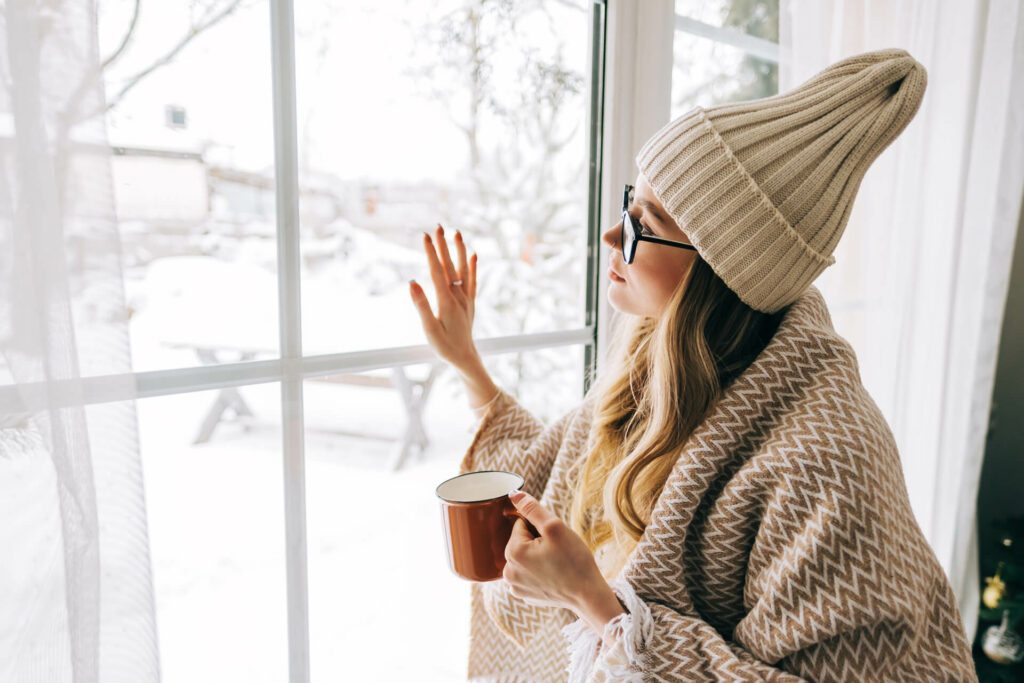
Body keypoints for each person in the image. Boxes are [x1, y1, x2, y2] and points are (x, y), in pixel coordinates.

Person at [408, 48, 978, 682]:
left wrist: (600, 608)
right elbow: (554, 470)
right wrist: (469, 366)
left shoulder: (826, 461)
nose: (610, 235)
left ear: (718, 266)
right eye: (629, 201)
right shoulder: (652, 373)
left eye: (640, 221)